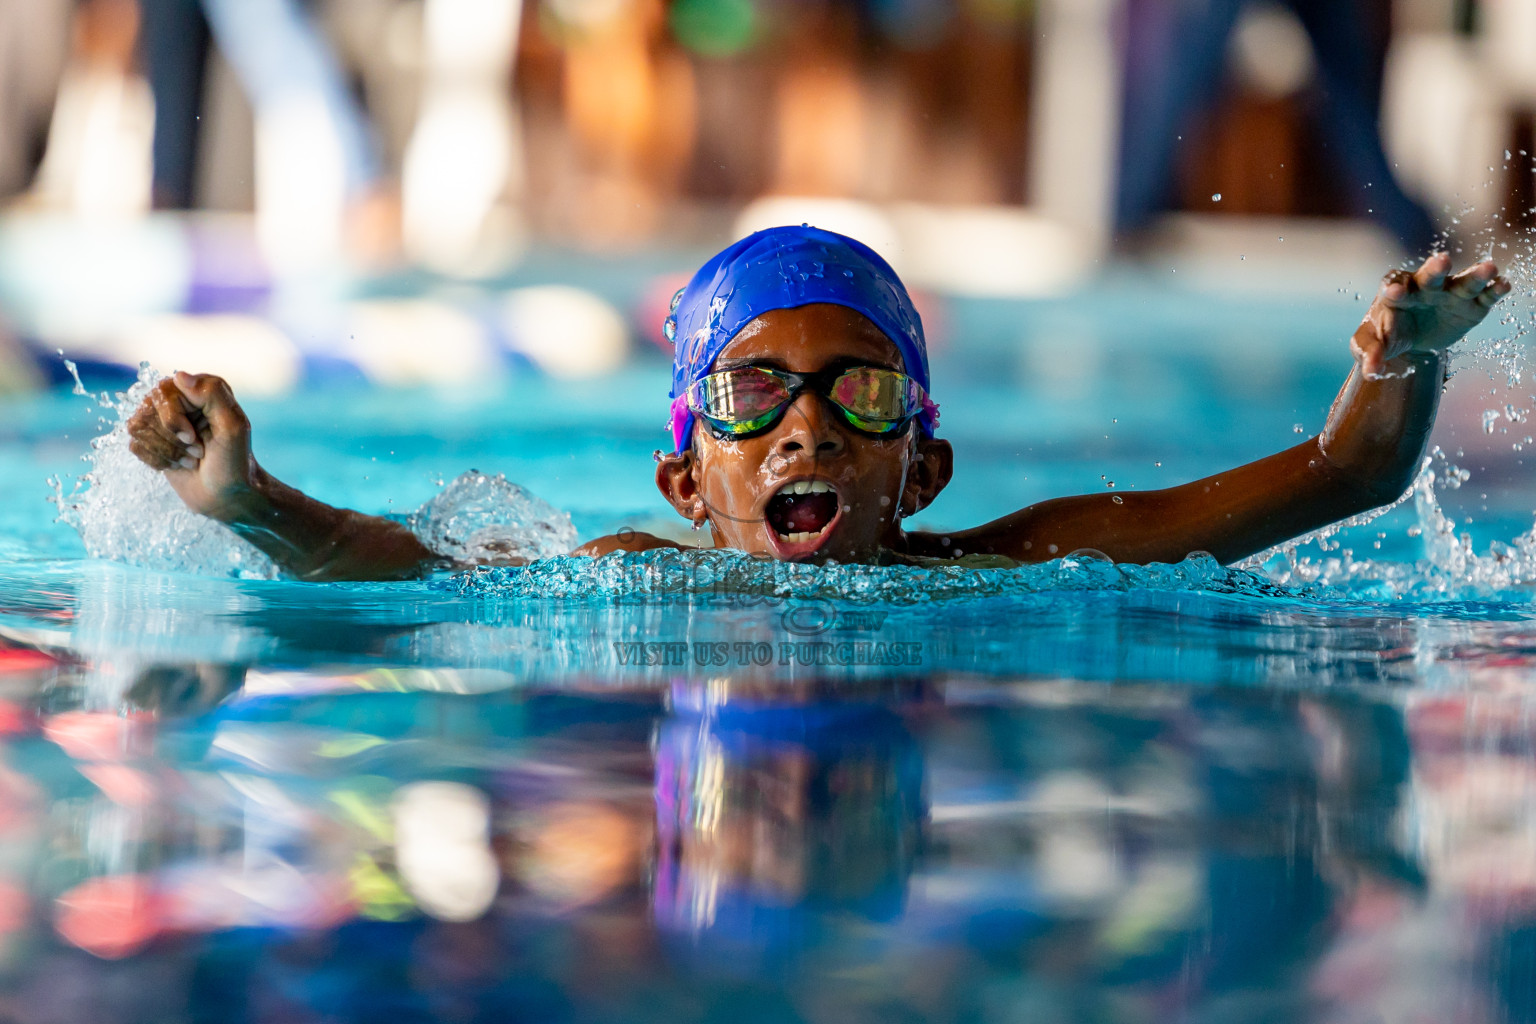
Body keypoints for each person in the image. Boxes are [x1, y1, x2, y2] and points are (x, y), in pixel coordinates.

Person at [125, 225, 1511, 581]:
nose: (807, 428)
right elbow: (409, 567)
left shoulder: (1011, 568)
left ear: (921, 467)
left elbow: (1343, 480)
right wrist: (246, 500)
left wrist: (1402, 354)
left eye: (859, 391)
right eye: (751, 395)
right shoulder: (637, 583)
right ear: (687, 486)